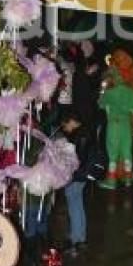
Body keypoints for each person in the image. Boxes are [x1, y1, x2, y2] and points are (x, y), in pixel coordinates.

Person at [98, 62, 133, 188]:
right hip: (126, 125)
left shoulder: (108, 93)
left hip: (113, 125)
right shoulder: (130, 92)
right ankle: (128, 178)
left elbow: (101, 105)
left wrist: (103, 91)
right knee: (127, 152)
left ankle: (111, 180)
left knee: (112, 153)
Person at [57, 110, 92, 256]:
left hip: (77, 175)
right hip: (83, 175)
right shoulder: (85, 132)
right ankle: (80, 237)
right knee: (78, 204)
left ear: (72, 121)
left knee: (74, 205)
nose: (65, 128)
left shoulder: (79, 135)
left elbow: (76, 158)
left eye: (65, 125)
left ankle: (76, 238)